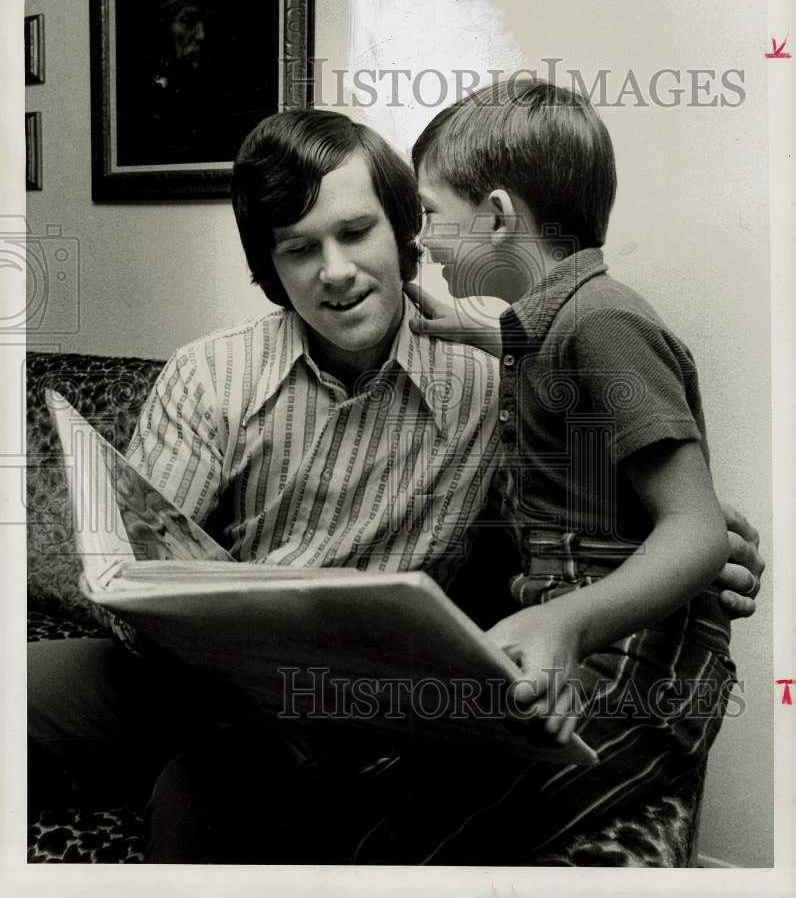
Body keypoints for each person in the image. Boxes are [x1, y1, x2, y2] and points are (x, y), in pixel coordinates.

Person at [28, 108, 764, 864]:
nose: (335, 271)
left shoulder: (486, 380)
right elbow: (123, 583)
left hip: (333, 717)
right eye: (299, 248)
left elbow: (616, 487)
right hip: (178, 680)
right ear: (271, 265)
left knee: (212, 809)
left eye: (355, 232)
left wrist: (700, 543)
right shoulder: (211, 374)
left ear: (404, 232)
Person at [402, 77, 753, 855]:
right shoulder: (567, 322)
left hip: (638, 667)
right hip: (597, 647)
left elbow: (697, 532)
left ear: (496, 217)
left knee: (422, 830)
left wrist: (563, 621)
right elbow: (563, 375)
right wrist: (478, 331)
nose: (422, 240)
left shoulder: (606, 324)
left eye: (430, 214)